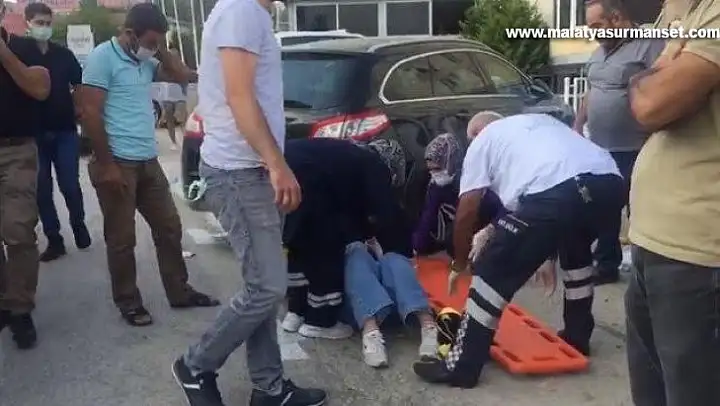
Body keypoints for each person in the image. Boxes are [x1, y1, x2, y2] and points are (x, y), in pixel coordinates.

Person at [171, 0, 326, 403]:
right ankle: (195, 365)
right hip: (239, 172)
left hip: (250, 169)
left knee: (262, 284)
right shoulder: (240, 10)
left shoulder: (251, 12)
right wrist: (276, 163)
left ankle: (269, 387)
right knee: (267, 287)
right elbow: (240, 97)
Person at [413, 113, 624, 388]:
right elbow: (549, 208)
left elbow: (467, 210)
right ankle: (577, 336)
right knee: (577, 253)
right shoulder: (540, 123)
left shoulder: (484, 140)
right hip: (610, 185)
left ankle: (462, 366)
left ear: (476, 133)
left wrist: (459, 263)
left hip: (559, 193)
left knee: (492, 268)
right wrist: (545, 257)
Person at [81, 3, 218, 327]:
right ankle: (128, 302)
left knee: (169, 227)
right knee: (122, 238)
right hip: (117, 162)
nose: (153, 48)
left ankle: (179, 291)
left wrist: (160, 48)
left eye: (158, 42)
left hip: (147, 159)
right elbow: (89, 112)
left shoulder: (145, 60)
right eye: (150, 41)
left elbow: (182, 75)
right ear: (129, 33)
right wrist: (107, 164)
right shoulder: (103, 58)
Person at [626, 0, 720, 404]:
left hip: (696, 255)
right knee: (652, 393)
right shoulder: (687, 10)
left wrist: (643, 79)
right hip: (654, 243)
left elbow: (651, 103)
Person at [572, 0, 664, 285]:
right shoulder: (598, 53)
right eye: (590, 27)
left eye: (597, 25)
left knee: (640, 209)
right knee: (605, 207)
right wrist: (577, 125)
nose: (594, 33)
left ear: (616, 18)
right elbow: (591, 91)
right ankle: (607, 265)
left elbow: (662, 87)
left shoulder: (648, 44)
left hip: (636, 146)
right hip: (600, 149)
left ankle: (646, 270)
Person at [282, 138, 409, 340]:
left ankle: (296, 312)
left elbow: (352, 207)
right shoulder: (373, 163)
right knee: (326, 251)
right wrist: (402, 250)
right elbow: (386, 213)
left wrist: (365, 232)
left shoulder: (346, 155)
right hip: (309, 185)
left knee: (300, 246)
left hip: (279, 175)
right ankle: (319, 322)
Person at [23, 2, 91, 262]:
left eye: (47, 23)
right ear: (28, 23)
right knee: (42, 189)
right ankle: (54, 239)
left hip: (64, 131)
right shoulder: (20, 55)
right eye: (39, 23)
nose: (44, 27)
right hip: (33, 133)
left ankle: (78, 223)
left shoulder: (63, 55)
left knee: (70, 184)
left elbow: (78, 83)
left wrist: (79, 107)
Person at [0, 0, 50, 350]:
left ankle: (19, 308)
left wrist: (2, 53)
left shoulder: (24, 48)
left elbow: (40, 88)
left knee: (17, 229)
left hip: (16, 150)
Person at [344, 238, 437, 368]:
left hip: (401, 305)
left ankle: (428, 326)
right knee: (356, 253)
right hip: (360, 306)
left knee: (394, 258)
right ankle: (371, 333)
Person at [412, 133, 462, 255]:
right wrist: (417, 246)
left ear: (450, 162)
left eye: (437, 169)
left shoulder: (471, 181)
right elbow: (428, 215)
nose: (434, 174)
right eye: (430, 170)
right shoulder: (435, 186)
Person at [160, 38, 189, 150]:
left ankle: (180, 141)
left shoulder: (180, 67)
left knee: (178, 118)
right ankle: (175, 141)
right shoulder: (165, 67)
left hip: (175, 94)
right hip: (169, 94)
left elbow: (185, 78)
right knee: (172, 118)